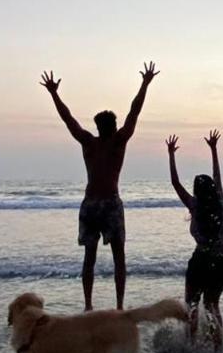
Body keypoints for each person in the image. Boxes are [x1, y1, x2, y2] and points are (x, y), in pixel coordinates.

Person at [39, 62, 159, 310]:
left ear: (99, 127)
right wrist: (145, 84)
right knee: (114, 257)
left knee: (93, 257)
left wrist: (54, 93)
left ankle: (92, 305)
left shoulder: (92, 142)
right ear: (112, 127)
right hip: (105, 203)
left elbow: (68, 119)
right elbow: (133, 113)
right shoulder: (114, 141)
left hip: (93, 203)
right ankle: (114, 306)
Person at [166, 129, 223, 352]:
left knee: (192, 304)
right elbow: (217, 176)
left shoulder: (194, 206)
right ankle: (218, 348)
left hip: (202, 260)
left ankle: (191, 345)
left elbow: (175, 183)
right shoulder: (220, 203)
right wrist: (214, 150)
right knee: (212, 304)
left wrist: (171, 155)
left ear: (196, 191)